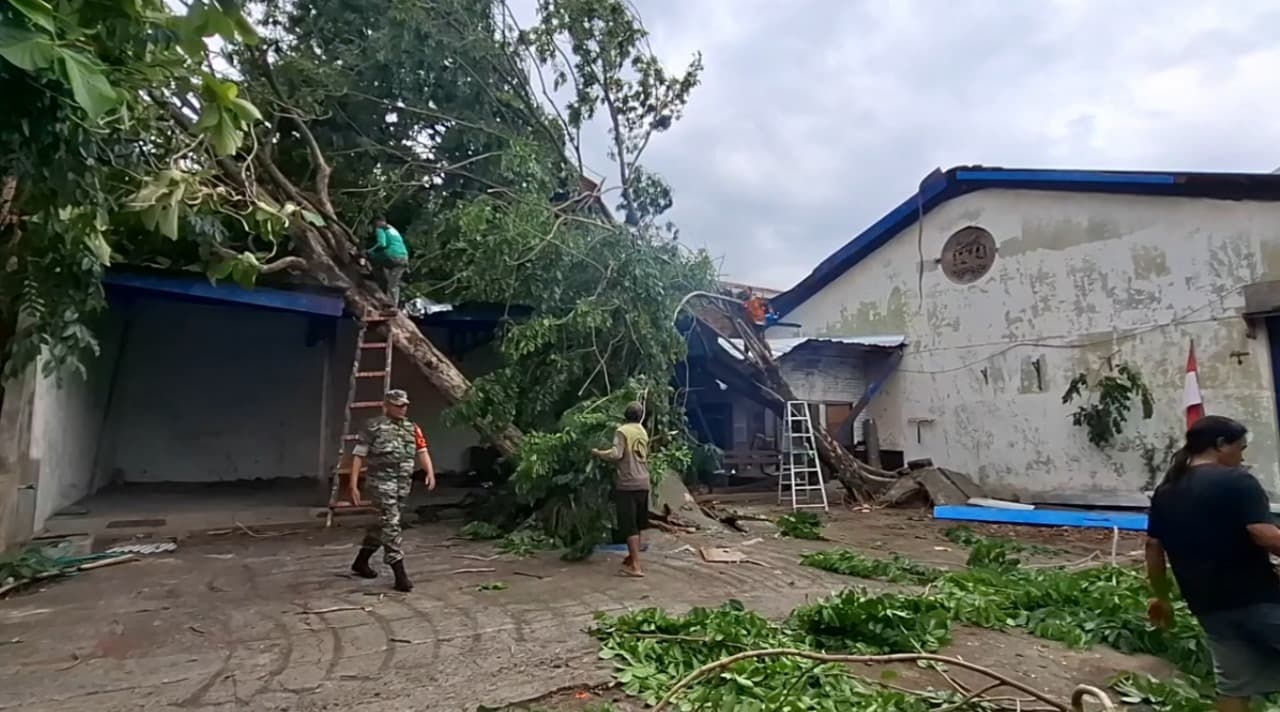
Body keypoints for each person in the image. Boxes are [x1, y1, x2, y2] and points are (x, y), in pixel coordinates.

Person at [1146, 415, 1280, 711]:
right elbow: (1264, 535)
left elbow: (1153, 547)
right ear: (1221, 445)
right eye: (1240, 448)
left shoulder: (1167, 490)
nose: (1242, 456)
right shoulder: (1236, 481)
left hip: (1209, 607)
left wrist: (1162, 596)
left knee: (1235, 686)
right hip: (1257, 600)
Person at [349, 389, 435, 592]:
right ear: (386, 405)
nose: (402, 409)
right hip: (380, 483)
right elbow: (358, 455)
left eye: (404, 405)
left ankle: (361, 562)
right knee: (391, 524)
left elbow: (422, 450)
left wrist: (429, 472)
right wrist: (353, 485)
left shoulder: (411, 428)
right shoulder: (374, 427)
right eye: (397, 405)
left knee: (382, 525)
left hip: (402, 483)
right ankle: (399, 574)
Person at [592, 401, 652, 578]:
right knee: (638, 522)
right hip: (643, 481)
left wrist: (597, 453)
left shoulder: (622, 431)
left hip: (628, 482)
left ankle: (636, 566)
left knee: (629, 525)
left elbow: (616, 454)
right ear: (640, 416)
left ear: (624, 415)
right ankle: (632, 557)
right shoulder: (642, 431)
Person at [368, 218, 410, 310]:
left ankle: (374, 276)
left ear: (375, 223)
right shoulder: (392, 229)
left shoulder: (380, 228)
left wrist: (370, 251)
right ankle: (393, 305)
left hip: (392, 255)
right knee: (393, 283)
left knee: (373, 257)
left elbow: (382, 243)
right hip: (404, 258)